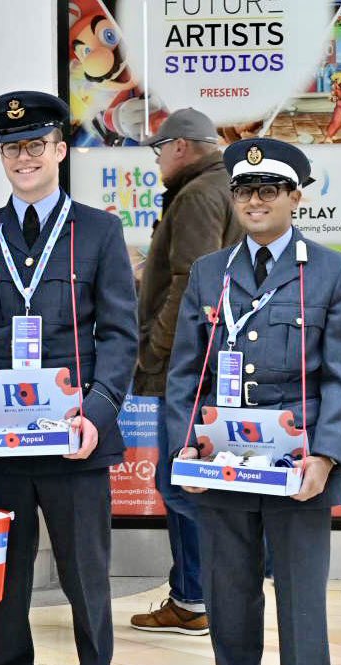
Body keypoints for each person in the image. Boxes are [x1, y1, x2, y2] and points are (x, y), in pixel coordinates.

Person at [165, 138, 341, 665]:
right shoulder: (211, 271)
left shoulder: (332, 272)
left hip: (298, 466)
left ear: (294, 198)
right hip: (224, 460)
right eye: (244, 191)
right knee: (228, 596)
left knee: (301, 597)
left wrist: (328, 457)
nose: (255, 201)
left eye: (269, 190)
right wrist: (185, 451)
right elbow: (185, 373)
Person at [0, 91, 137, 665]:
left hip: (76, 438)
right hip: (0, 438)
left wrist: (99, 411)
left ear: (59, 150)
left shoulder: (99, 231)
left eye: (34, 145)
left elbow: (119, 334)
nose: (23, 158)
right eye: (11, 148)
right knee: (4, 576)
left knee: (86, 572)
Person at [130, 108, 243, 636]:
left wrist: (155, 350)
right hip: (208, 360)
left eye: (160, 150)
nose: (158, 161)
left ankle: (196, 597)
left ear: (180, 146)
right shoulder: (223, 186)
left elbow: (188, 282)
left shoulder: (198, 194)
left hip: (188, 365)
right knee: (193, 478)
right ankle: (203, 592)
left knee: (181, 480)